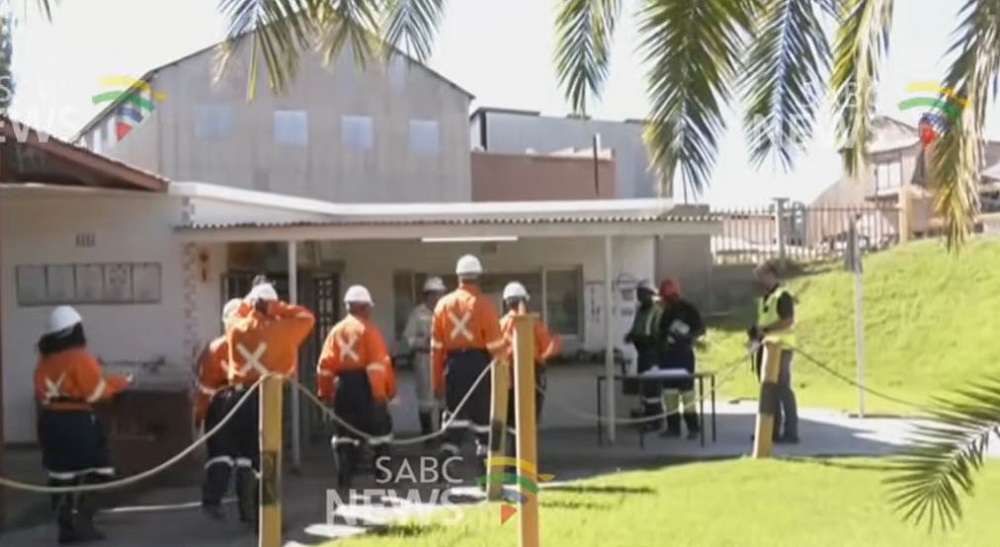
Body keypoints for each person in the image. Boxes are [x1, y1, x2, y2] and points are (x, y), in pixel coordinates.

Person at [34, 306, 131, 544]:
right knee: (99, 470)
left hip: (50, 423)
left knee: (61, 476)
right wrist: (121, 384)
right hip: (77, 422)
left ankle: (66, 527)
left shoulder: (44, 362)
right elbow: (96, 392)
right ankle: (84, 522)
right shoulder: (79, 357)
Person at [224, 283, 315, 523]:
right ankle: (268, 518)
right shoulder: (281, 329)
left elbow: (237, 311)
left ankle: (246, 511)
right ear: (271, 305)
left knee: (245, 456)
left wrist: (251, 302)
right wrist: (278, 307)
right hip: (268, 395)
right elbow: (306, 317)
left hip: (239, 396)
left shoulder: (234, 325)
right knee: (269, 455)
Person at [431, 254, 506, 470]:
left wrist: (436, 383)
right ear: (479, 277)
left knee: (454, 420)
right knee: (483, 422)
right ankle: (486, 473)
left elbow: (435, 350)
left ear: (458, 277)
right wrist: (504, 382)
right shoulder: (485, 306)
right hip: (479, 366)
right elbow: (496, 349)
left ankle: (444, 466)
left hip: (453, 367)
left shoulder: (443, 305)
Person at [317, 285, 397, 487]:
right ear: (363, 307)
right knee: (380, 432)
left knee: (344, 435)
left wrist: (325, 393)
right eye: (368, 307)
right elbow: (377, 367)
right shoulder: (369, 331)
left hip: (342, 387)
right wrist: (382, 394)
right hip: (365, 386)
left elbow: (325, 366)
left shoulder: (335, 331)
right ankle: (383, 476)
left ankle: (344, 477)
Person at [195, 298, 244, 521]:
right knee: (248, 458)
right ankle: (251, 508)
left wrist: (200, 414)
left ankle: (213, 499)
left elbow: (205, 388)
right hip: (248, 401)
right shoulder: (255, 346)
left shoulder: (215, 348)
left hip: (221, 404)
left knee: (220, 456)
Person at [499, 281, 561, 443]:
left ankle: (512, 452)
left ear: (506, 303)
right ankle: (526, 453)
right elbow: (549, 348)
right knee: (529, 418)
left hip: (506, 378)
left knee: (510, 420)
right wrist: (543, 356)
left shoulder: (500, 325)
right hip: (532, 375)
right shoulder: (534, 323)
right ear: (524, 301)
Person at [748, 259, 799, 444]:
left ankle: (791, 432)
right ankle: (770, 431)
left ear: (771, 275)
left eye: (762, 276)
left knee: (783, 390)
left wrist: (766, 329)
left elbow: (787, 321)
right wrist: (756, 335)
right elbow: (764, 323)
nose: (760, 280)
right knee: (770, 391)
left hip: (782, 348)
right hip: (767, 348)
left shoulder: (782, 295)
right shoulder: (765, 299)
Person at [656, 279, 705, 439]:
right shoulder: (666, 312)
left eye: (668, 297)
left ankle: (693, 428)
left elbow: (701, 329)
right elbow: (662, 333)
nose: (667, 301)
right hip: (667, 357)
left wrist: (687, 337)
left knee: (687, 393)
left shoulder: (688, 309)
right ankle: (673, 427)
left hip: (684, 356)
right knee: (669, 394)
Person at [402, 276, 447, 444]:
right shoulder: (417, 313)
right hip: (424, 359)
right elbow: (409, 339)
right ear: (428, 295)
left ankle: (444, 435)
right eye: (436, 294)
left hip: (443, 359)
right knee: (425, 400)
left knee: (443, 398)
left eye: (441, 294)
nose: (439, 297)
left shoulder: (446, 311)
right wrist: (424, 341)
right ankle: (427, 436)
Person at [624, 279, 663, 431]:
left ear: (649, 294)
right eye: (638, 293)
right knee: (645, 390)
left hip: (653, 355)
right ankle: (648, 417)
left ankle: (656, 420)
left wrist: (639, 338)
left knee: (653, 389)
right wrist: (630, 336)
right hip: (642, 354)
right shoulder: (640, 311)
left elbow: (657, 336)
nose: (638, 296)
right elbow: (636, 330)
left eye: (641, 293)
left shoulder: (656, 312)